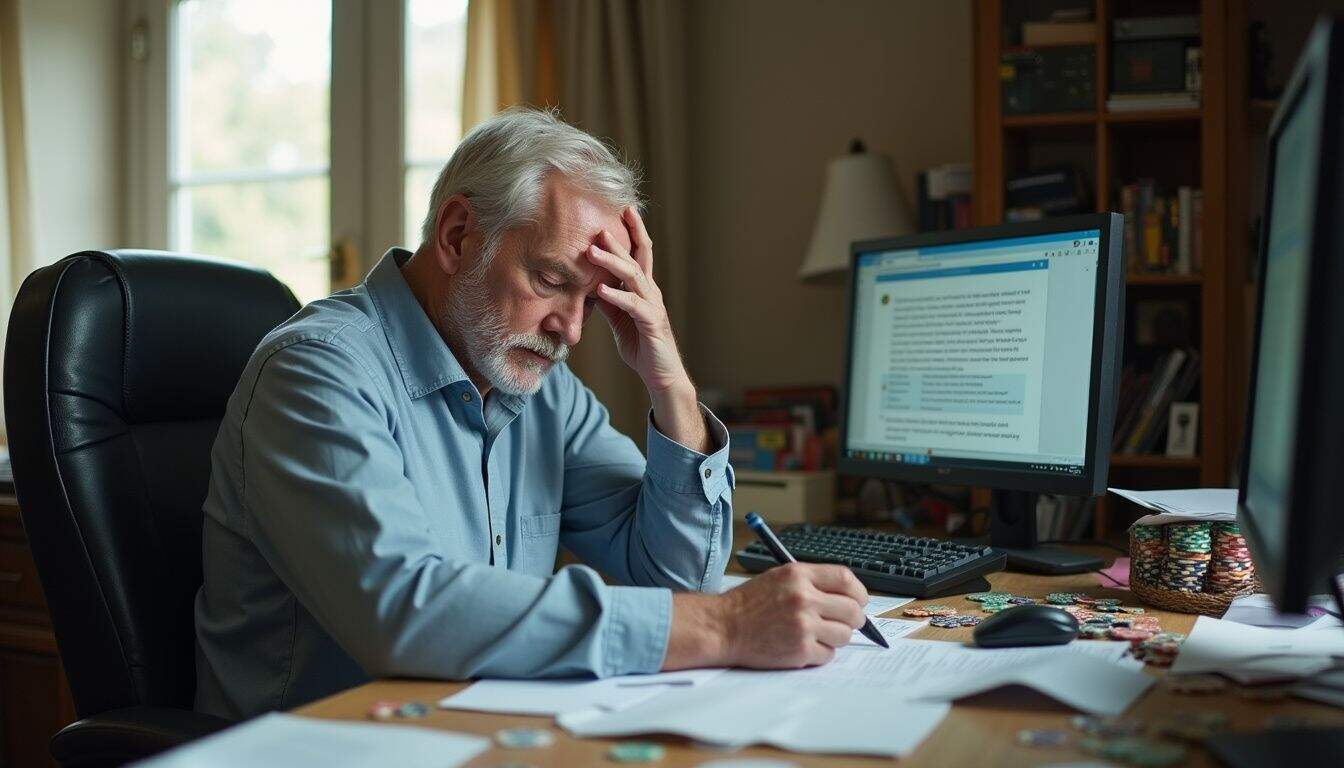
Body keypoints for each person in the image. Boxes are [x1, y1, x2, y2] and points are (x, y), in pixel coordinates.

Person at [194, 108, 869, 720]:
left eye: (596, 300)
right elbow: (404, 613)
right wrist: (724, 627)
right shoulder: (316, 371)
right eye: (550, 281)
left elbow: (677, 577)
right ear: (458, 236)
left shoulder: (540, 388)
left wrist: (669, 381)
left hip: (481, 733)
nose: (572, 330)